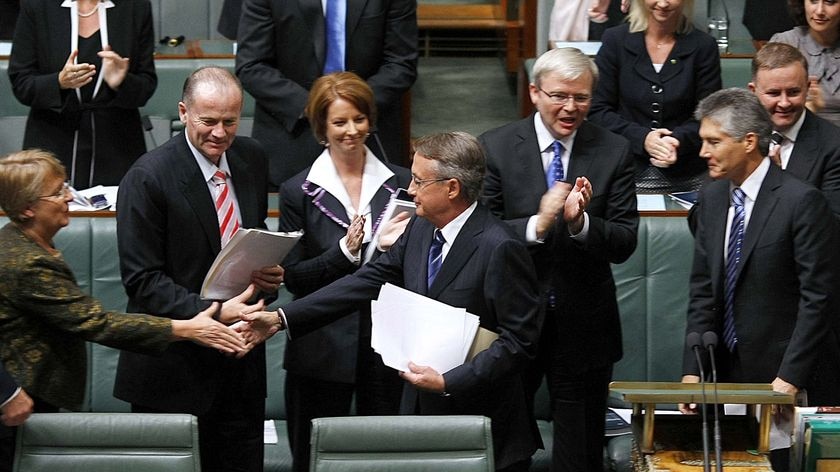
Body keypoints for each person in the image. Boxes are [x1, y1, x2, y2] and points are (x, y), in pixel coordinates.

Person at [244, 132, 545, 472]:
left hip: (486, 429)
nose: (410, 190)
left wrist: (450, 381)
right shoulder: (419, 229)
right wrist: (280, 318)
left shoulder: (500, 246)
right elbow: (363, 282)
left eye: (419, 181)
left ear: (452, 188)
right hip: (421, 416)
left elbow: (519, 342)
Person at [0, 149, 248, 472]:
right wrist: (186, 328)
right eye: (58, 192)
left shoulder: (22, 242)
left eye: (66, 186)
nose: (68, 197)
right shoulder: (26, 262)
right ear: (28, 209)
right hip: (17, 398)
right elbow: (95, 323)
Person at [113, 67, 283, 472]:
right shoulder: (147, 177)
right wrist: (215, 311)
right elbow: (143, 281)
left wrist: (267, 280)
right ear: (184, 112)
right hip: (174, 370)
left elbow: (248, 246)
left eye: (230, 121)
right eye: (208, 121)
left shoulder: (251, 158)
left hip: (240, 366)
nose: (220, 133)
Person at [479, 47, 638, 472]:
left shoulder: (615, 150)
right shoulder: (494, 147)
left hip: (584, 326)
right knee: (507, 450)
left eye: (582, 98)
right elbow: (480, 235)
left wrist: (580, 224)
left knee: (580, 456)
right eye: (560, 96)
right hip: (510, 325)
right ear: (534, 92)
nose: (571, 107)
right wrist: (539, 222)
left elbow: (624, 240)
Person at [680, 87, 840, 472]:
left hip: (787, 382)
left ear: (749, 141)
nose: (703, 152)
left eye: (713, 142)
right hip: (725, 377)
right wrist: (692, 370)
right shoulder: (713, 197)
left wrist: (788, 379)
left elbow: (818, 299)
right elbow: (703, 291)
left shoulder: (801, 201)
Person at [278, 71, 411, 472]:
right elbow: (294, 278)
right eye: (339, 122)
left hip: (387, 346)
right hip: (319, 347)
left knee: (384, 458)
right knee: (311, 457)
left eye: (359, 119)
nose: (351, 131)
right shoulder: (297, 191)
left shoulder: (403, 183)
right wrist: (343, 253)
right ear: (321, 128)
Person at [235, 0, 418, 187]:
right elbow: (252, 66)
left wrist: (352, 106)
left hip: (369, 140)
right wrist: (316, 106)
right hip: (293, 140)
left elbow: (401, 64)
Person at [7, 0, 157, 189]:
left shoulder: (135, 6)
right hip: (52, 142)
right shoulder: (37, 5)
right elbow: (21, 83)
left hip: (117, 145)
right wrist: (59, 82)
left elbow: (147, 85)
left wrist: (123, 81)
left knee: (121, 213)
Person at [589, 0, 722, 193]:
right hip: (623, 171)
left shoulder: (703, 45)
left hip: (687, 174)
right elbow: (597, 110)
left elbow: (710, 115)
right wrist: (643, 139)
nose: (663, 3)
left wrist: (677, 140)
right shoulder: (615, 39)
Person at [748, 42, 840, 216]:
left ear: (807, 88)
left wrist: (776, 182)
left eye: (793, 92)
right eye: (774, 93)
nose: (784, 103)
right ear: (753, 91)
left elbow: (832, 227)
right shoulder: (736, 135)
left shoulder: (834, 146)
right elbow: (701, 216)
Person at [770, 0, 840, 128]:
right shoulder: (784, 43)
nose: (819, 11)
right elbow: (763, 109)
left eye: (830, 2)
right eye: (813, 1)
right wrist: (808, 110)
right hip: (793, 136)